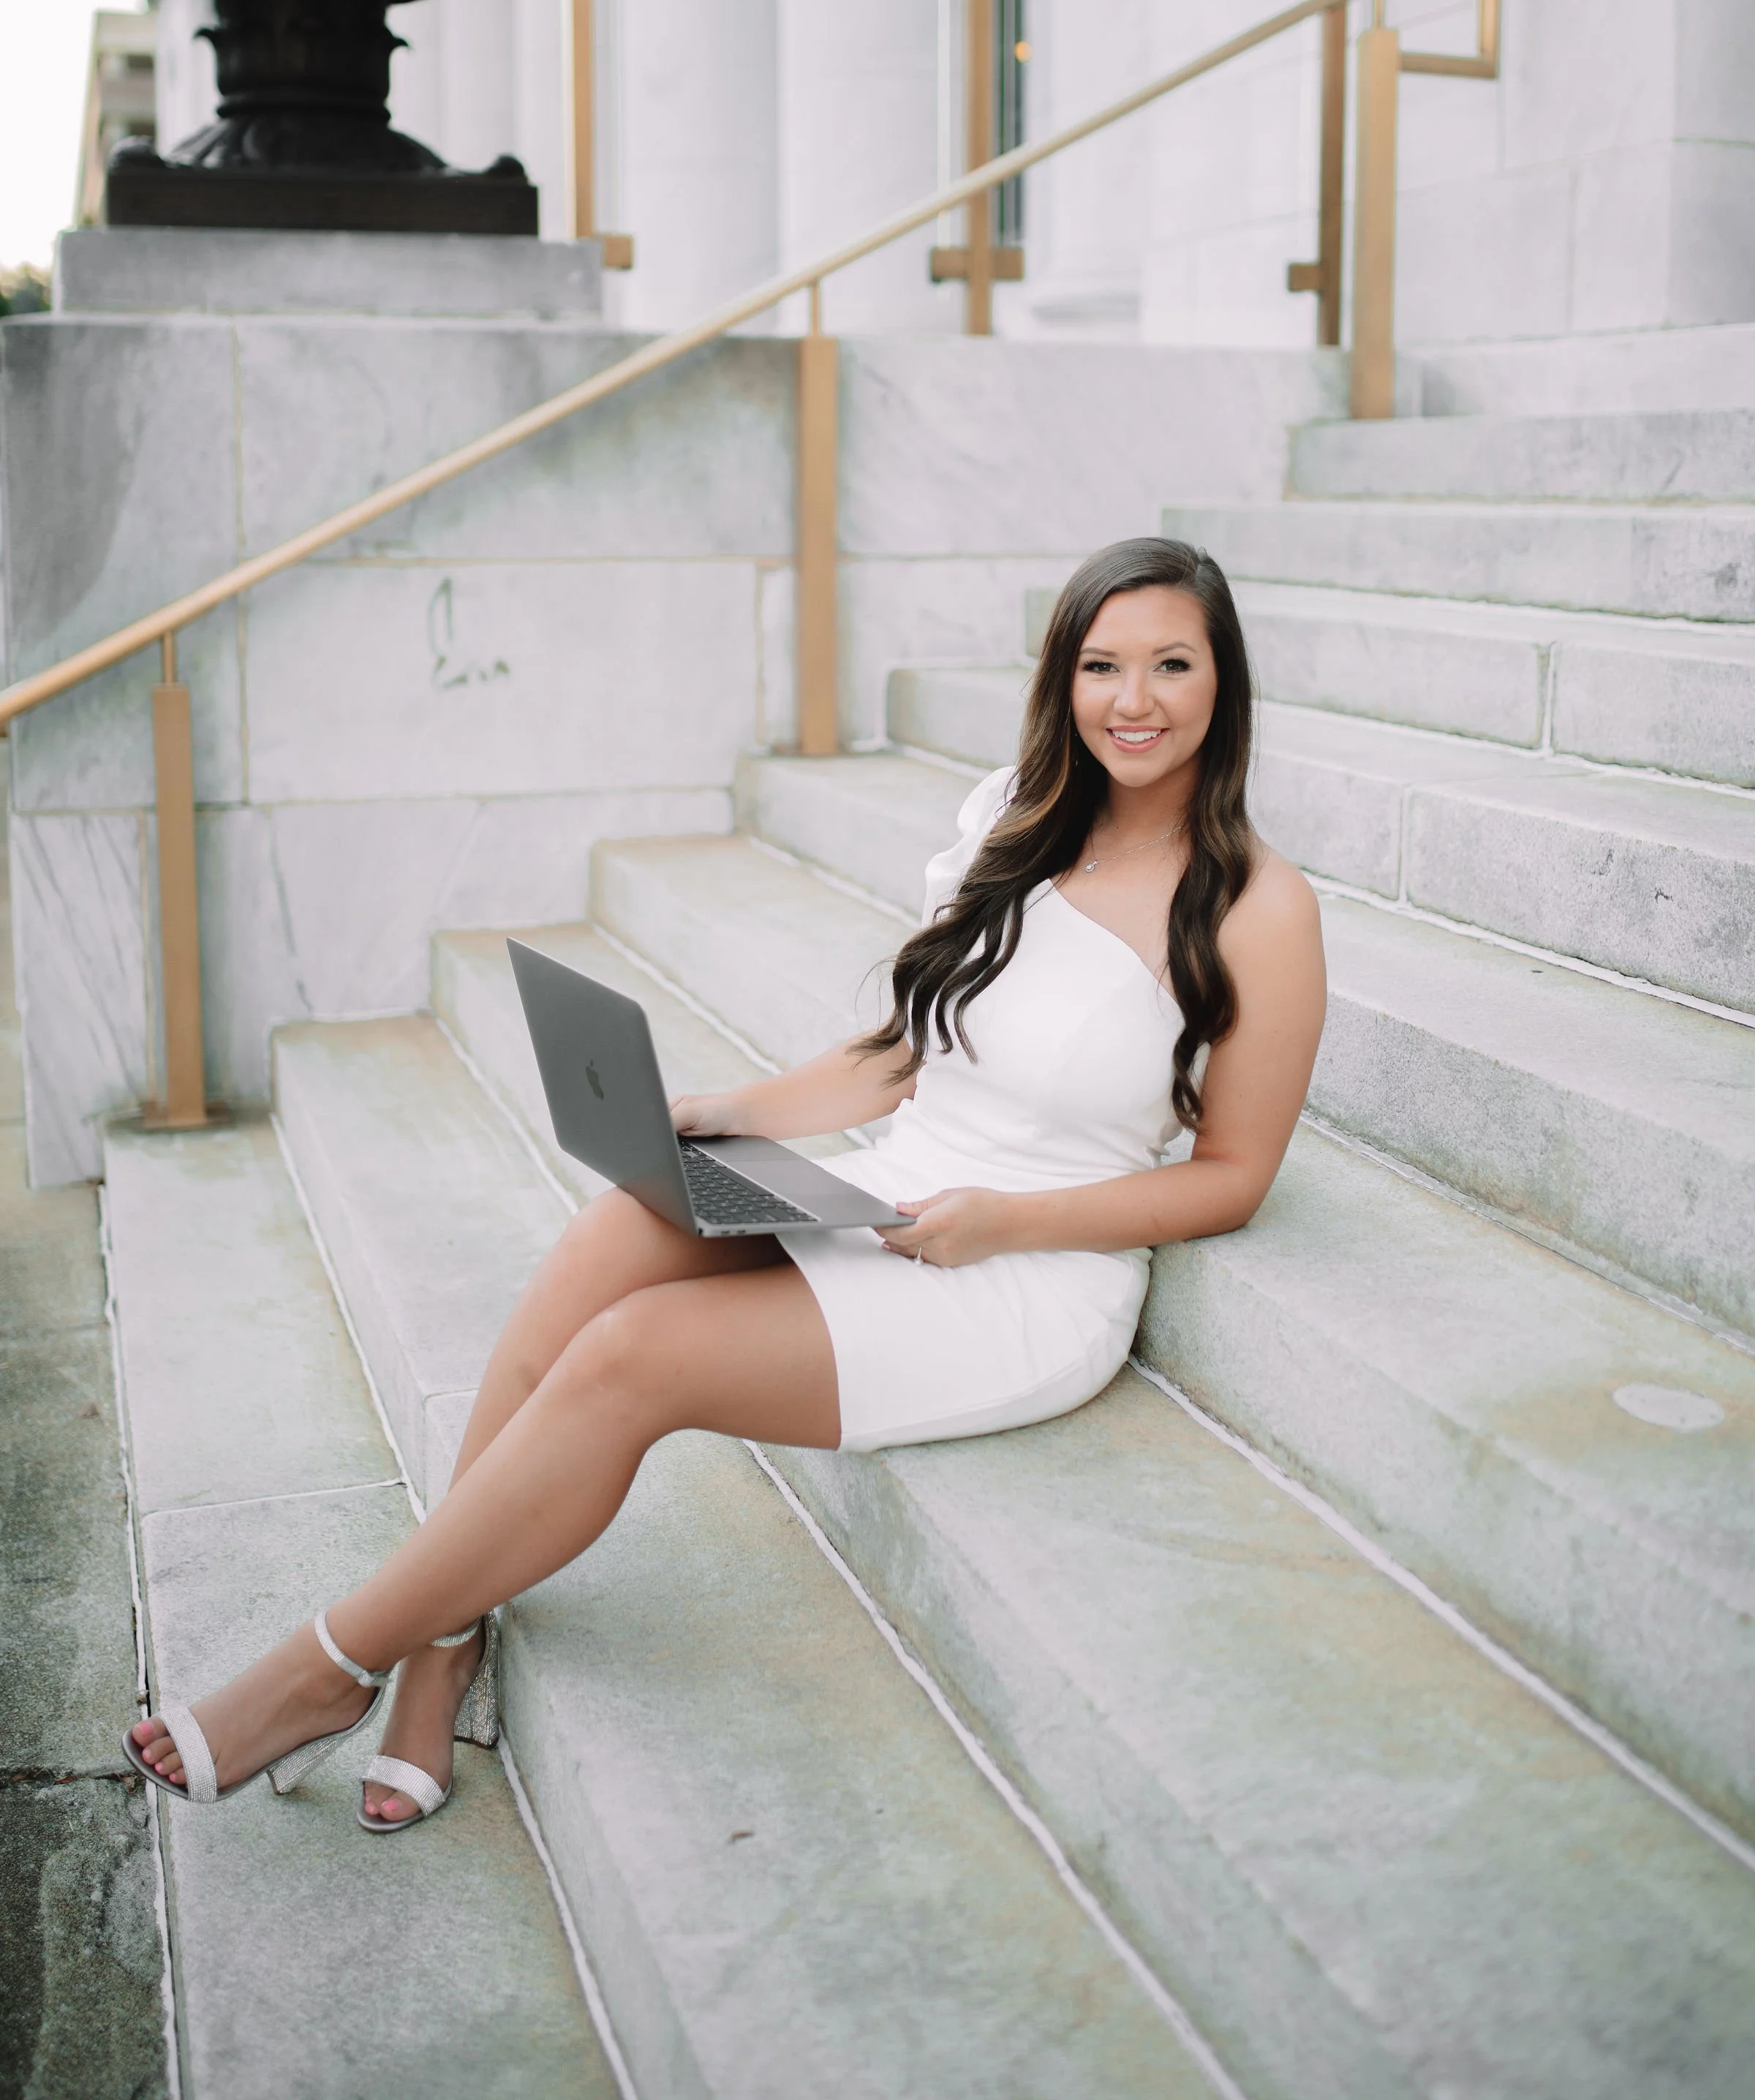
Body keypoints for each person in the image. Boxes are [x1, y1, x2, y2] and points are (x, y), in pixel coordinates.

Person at [127, 535, 1326, 1826]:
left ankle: (329, 1665)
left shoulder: (1258, 906)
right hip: (902, 1189)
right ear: (1062, 678)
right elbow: (896, 1057)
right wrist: (718, 1112)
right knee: (608, 1239)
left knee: (638, 1352)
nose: (1132, 700)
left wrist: (1005, 1223)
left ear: (1223, 682)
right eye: (1102, 665)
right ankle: (442, 1640)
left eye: (1170, 665)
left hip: (1030, 1271)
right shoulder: (1017, 822)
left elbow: (1234, 1178)